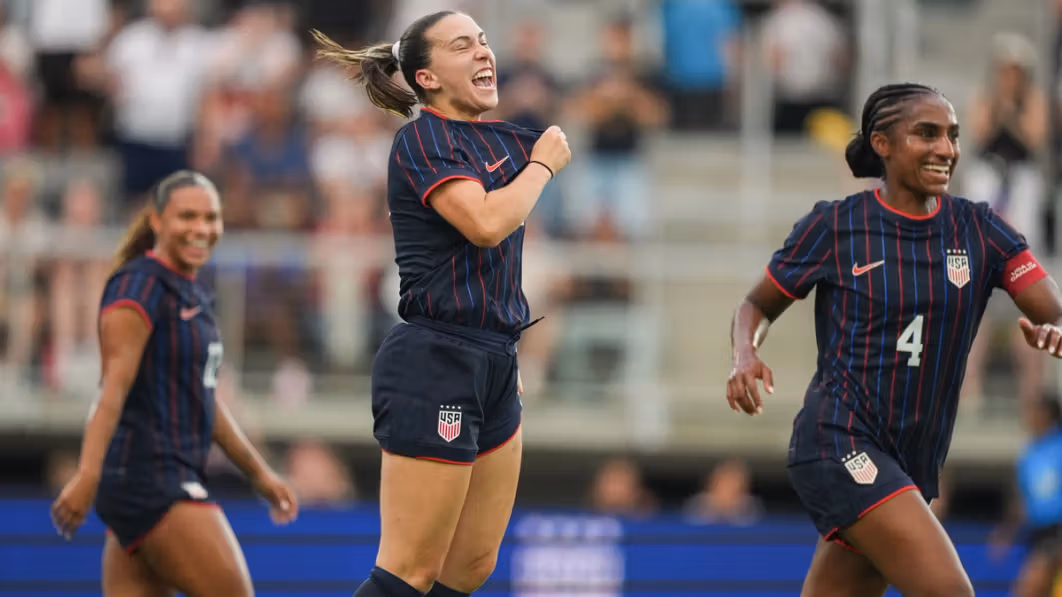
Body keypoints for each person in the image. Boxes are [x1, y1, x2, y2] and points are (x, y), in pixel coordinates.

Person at [727, 82, 1062, 596]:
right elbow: (757, 306)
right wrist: (745, 355)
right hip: (839, 441)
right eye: (927, 134)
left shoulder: (980, 229)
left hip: (912, 463)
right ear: (882, 143)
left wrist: (1054, 330)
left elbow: (1051, 309)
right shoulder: (836, 226)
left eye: (952, 135)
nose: (946, 149)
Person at [311, 10, 570, 597]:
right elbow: (484, 224)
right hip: (437, 358)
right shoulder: (422, 136)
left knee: (470, 566)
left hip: (495, 360)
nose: (484, 53)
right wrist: (543, 167)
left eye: (483, 41)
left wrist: (503, 345)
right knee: (408, 571)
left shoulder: (499, 139)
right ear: (426, 77)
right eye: (462, 46)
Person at [50, 170, 299, 597]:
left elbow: (204, 401)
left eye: (211, 218)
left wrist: (260, 474)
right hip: (151, 479)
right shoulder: (139, 283)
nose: (201, 229)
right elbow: (112, 388)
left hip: (146, 484)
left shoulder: (192, 294)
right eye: (188, 216)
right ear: (157, 220)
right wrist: (87, 474)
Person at [990, 393, 1062, 597]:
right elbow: (1023, 499)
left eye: (1034, 411)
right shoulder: (1028, 455)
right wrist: (1006, 532)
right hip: (1038, 533)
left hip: (1057, 531)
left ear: (1047, 414)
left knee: (1028, 587)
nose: (1029, 416)